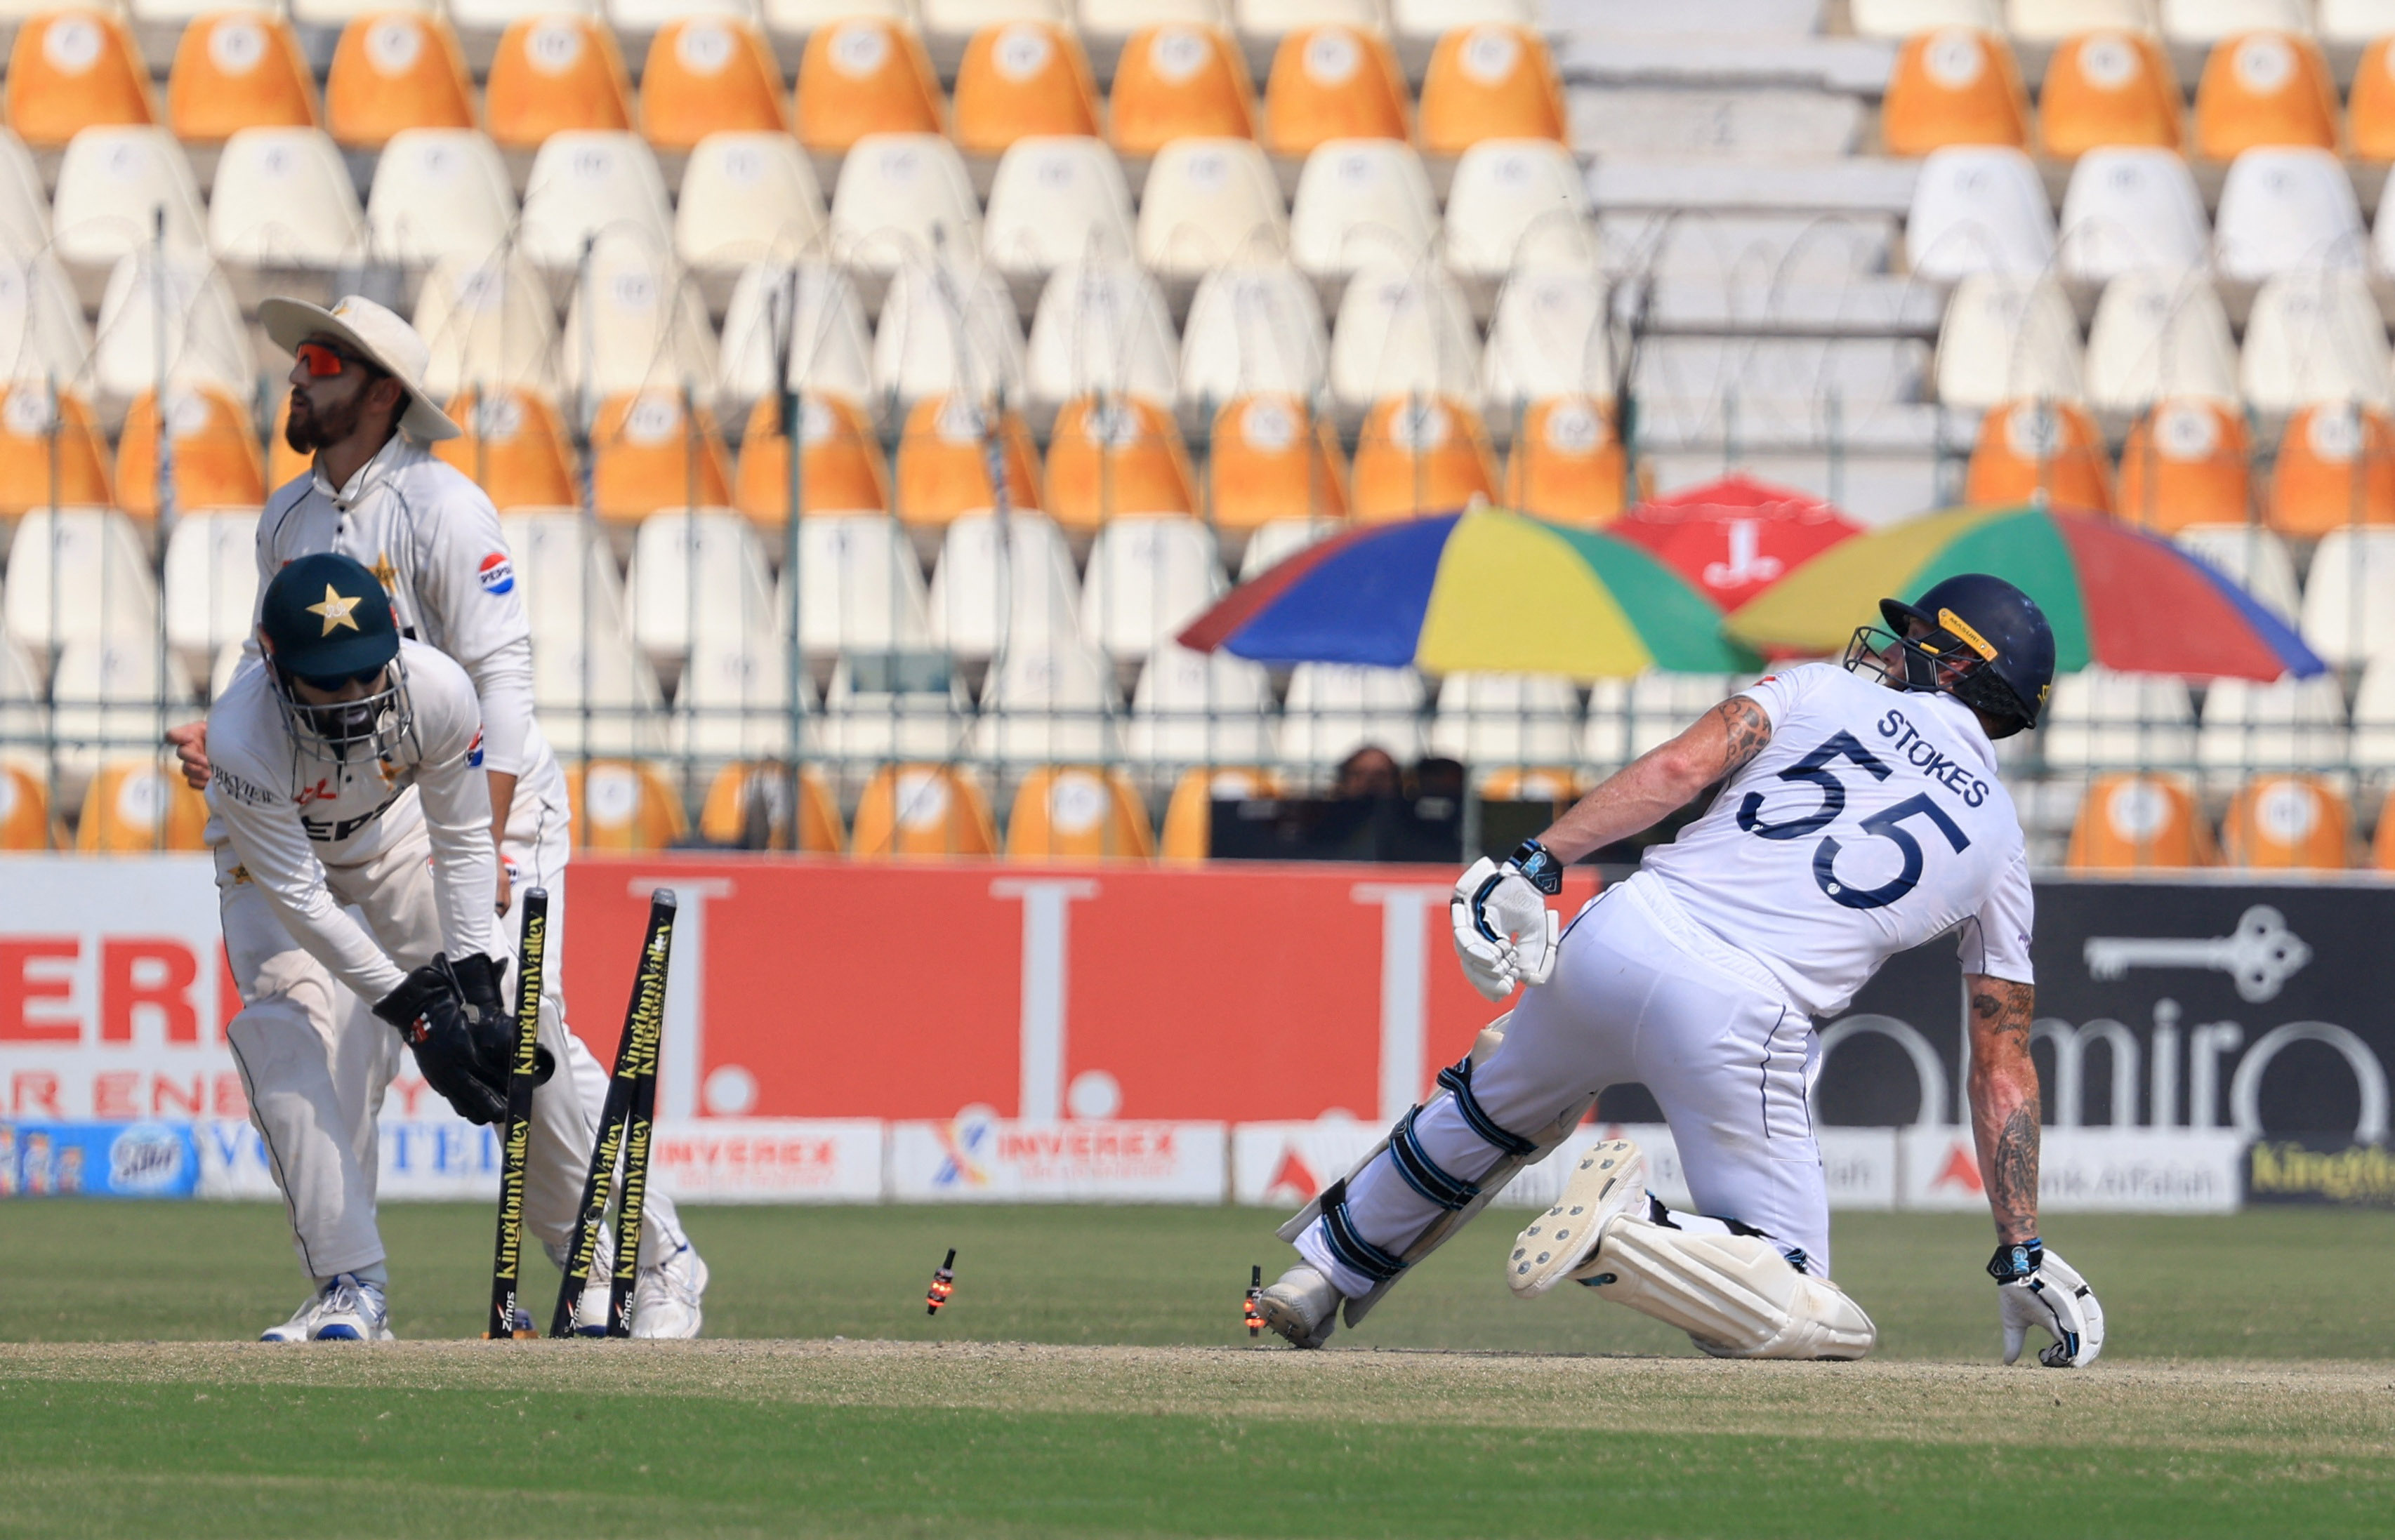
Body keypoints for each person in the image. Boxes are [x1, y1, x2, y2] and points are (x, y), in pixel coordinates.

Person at [1258, 575, 2106, 1368]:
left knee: (1486, 1108)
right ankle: (1632, 1232)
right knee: (1807, 1303)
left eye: (1911, 638)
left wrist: (1537, 860)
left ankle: (1318, 1275)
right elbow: (2003, 1062)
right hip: (1742, 1009)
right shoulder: (2001, 845)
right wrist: (2020, 1246)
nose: (1889, 650)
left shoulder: (1818, 687)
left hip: (1626, 927)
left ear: (1958, 662)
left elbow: (1678, 769)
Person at [166, 296, 705, 1335]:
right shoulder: (285, 517)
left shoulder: (442, 505)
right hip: (349, 816)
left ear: (380, 393)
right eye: (299, 360)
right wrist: (227, 735)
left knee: (513, 1028)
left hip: (468, 800)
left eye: (319, 361)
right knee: (310, 1037)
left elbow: (499, 681)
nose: (297, 377)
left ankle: (643, 1260)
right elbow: (261, 657)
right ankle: (347, 1285)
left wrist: (492, 850)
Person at [211, 554, 524, 1339]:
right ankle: (351, 1283)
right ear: (273, 660)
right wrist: (420, 1011)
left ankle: (606, 1254)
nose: (352, 699)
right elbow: (304, 902)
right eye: (327, 681)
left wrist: (475, 983)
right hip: (276, 862)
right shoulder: (240, 737)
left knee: (516, 1018)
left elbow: (460, 838)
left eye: (362, 674)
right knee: (283, 1030)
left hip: (392, 839)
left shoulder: (438, 688)